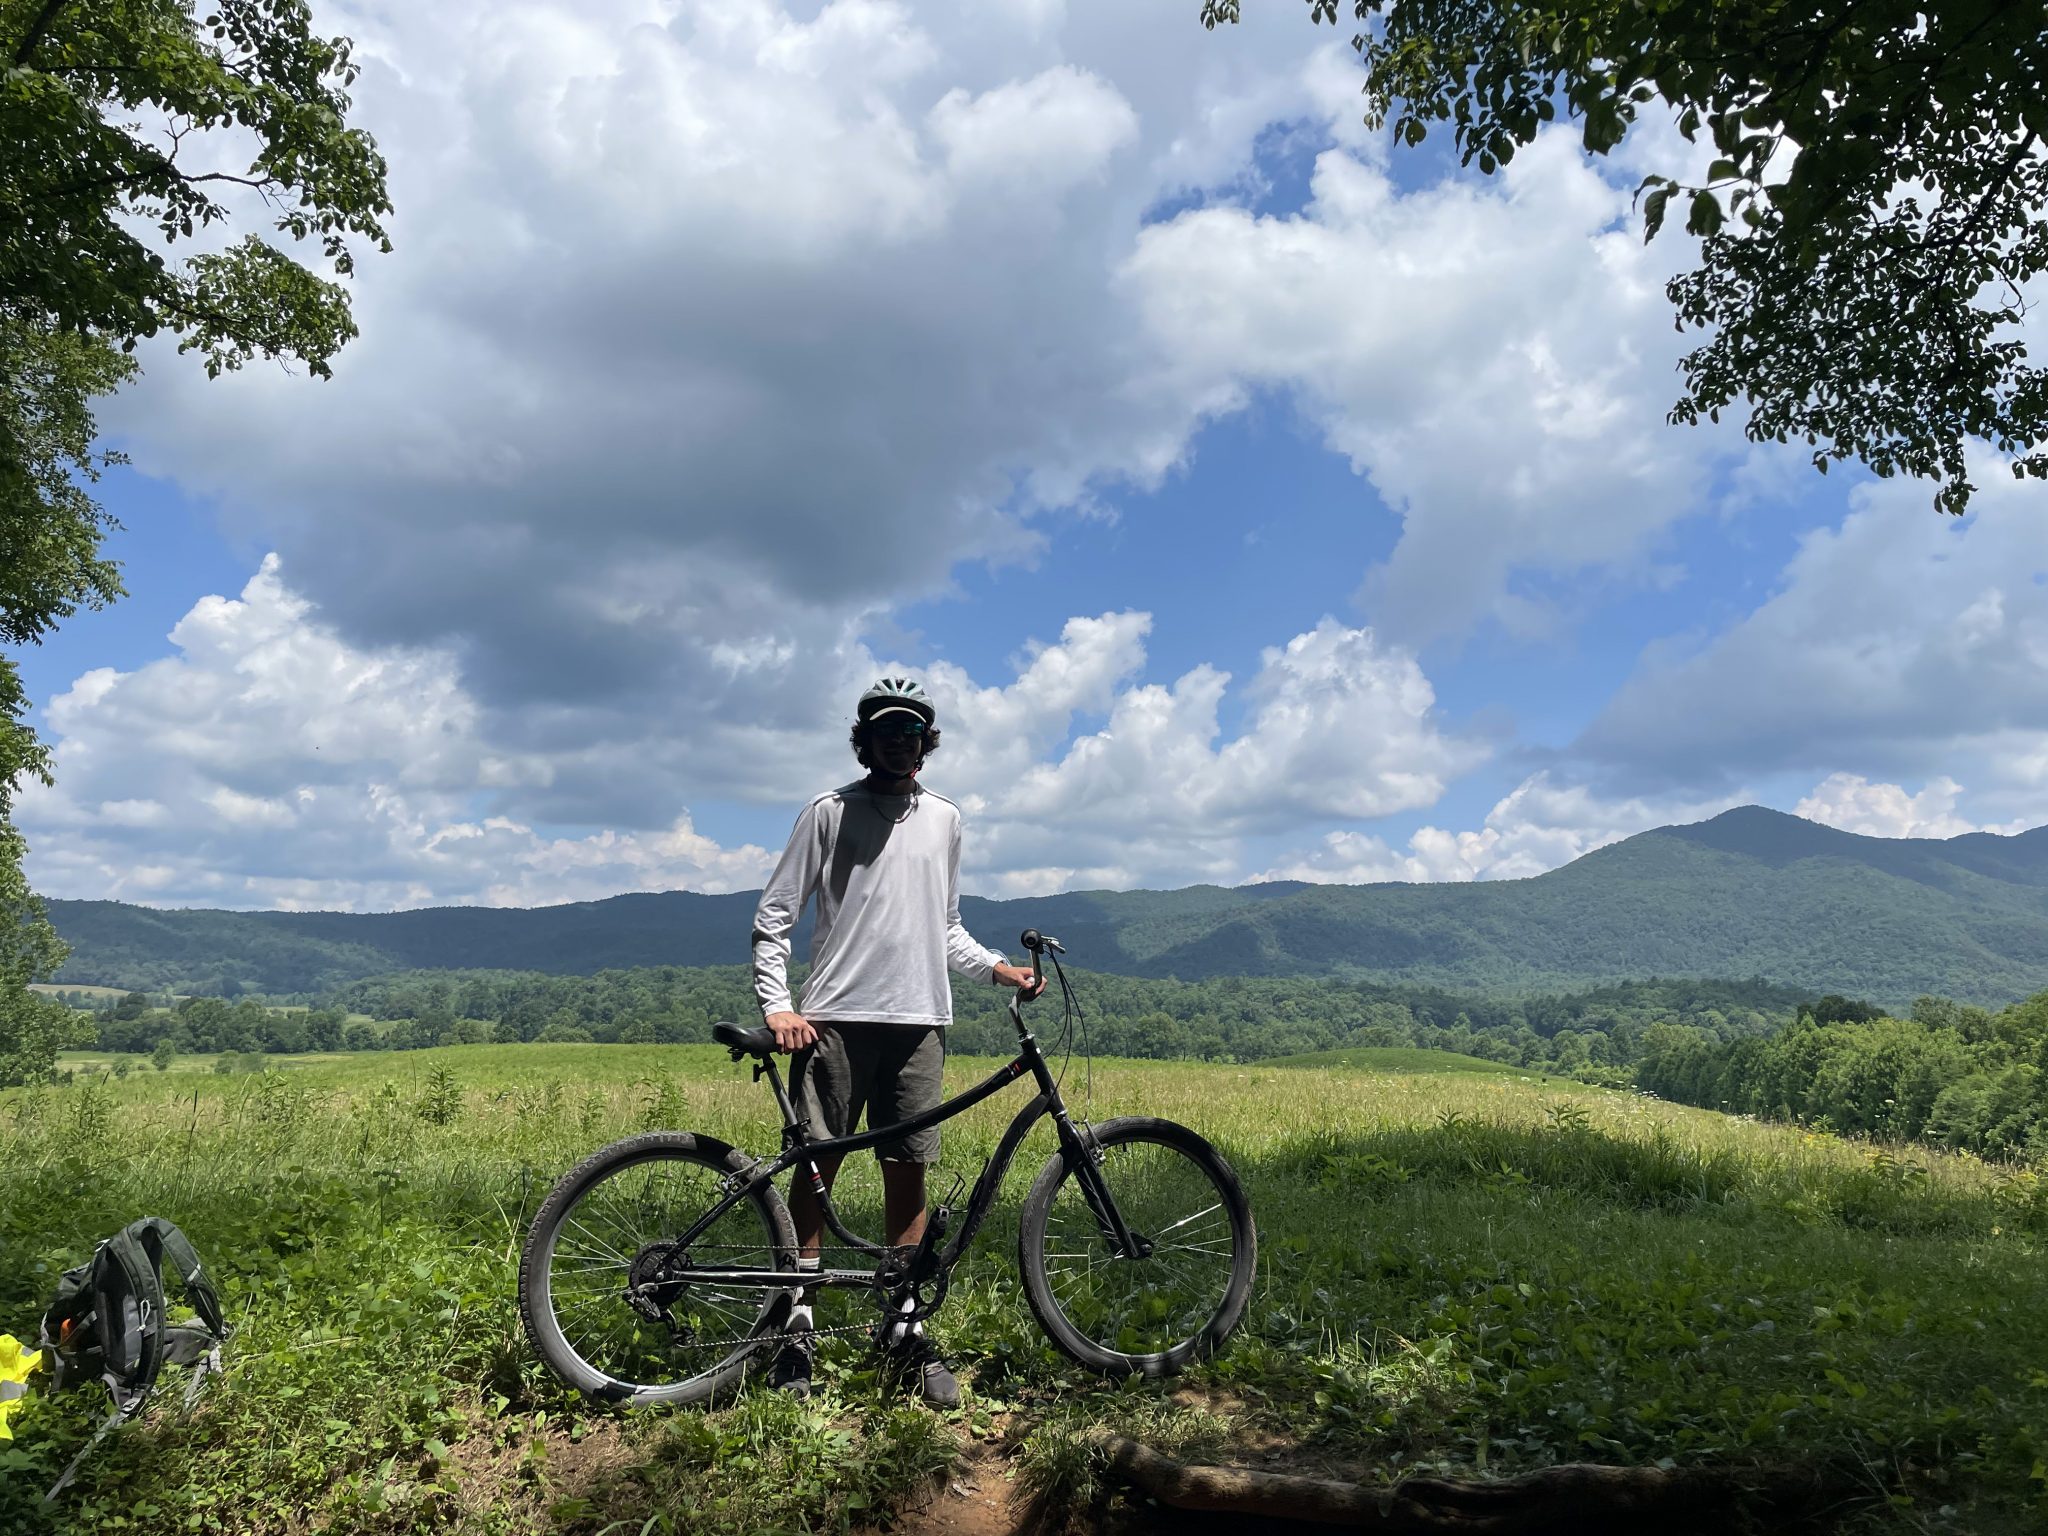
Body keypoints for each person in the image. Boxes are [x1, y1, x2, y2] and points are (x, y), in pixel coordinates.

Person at [750, 677, 1043, 1406]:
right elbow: (775, 915)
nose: (898, 739)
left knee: (907, 1168)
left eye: (911, 729)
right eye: (885, 728)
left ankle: (905, 1326)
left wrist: (998, 969)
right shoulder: (829, 812)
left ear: (925, 739)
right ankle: (797, 1324)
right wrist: (779, 1005)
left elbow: (945, 927)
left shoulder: (945, 818)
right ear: (864, 738)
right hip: (835, 1020)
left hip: (920, 1022)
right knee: (816, 1172)